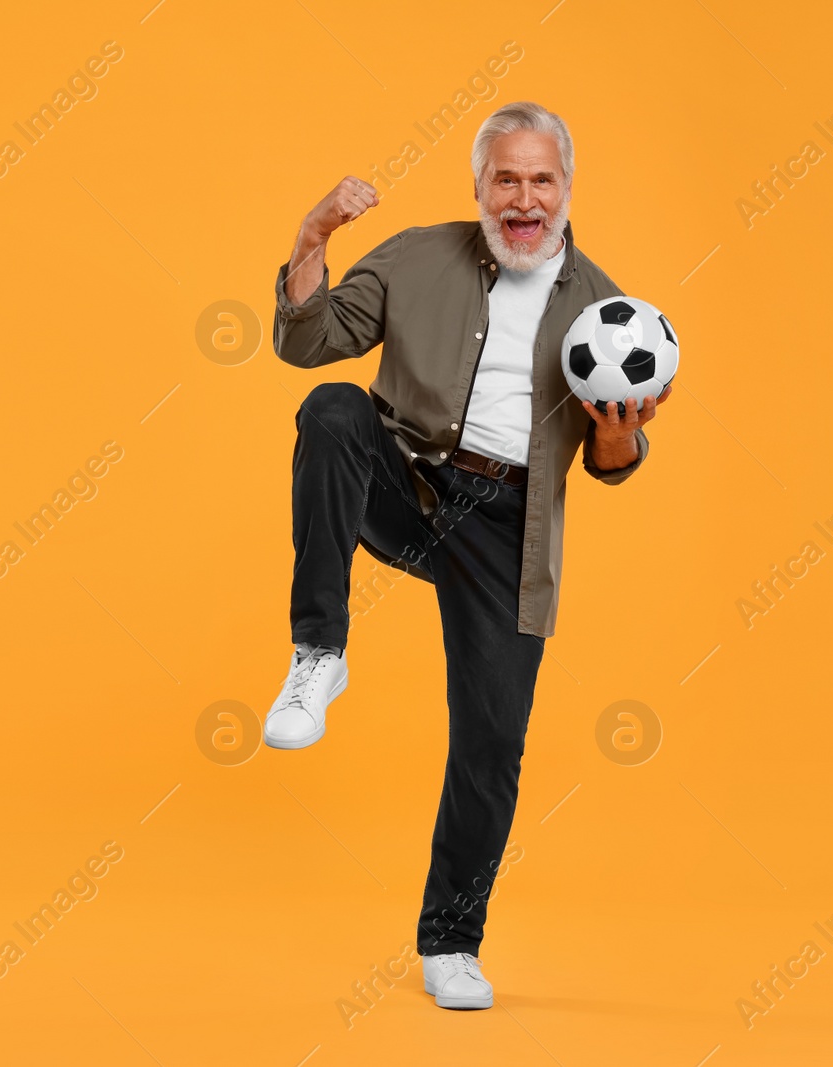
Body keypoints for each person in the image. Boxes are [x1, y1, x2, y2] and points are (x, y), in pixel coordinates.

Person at [266, 101, 670, 1010]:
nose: (523, 199)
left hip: (507, 526)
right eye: (506, 179)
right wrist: (312, 233)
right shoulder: (417, 256)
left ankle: (452, 941)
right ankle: (317, 653)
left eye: (541, 180)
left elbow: (613, 467)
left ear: (566, 189)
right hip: (404, 480)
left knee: (492, 742)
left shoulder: (606, 314)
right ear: (479, 187)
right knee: (333, 409)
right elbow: (305, 340)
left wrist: (617, 439)